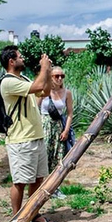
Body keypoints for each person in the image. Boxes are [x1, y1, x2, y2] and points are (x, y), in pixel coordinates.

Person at [0, 46, 52, 214]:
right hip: (21, 140)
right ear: (11, 61)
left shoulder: (23, 79)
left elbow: (45, 91)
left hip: (35, 137)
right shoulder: (8, 82)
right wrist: (43, 67)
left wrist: (48, 72)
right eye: (19, 56)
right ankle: (16, 218)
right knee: (20, 182)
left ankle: (31, 213)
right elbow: (37, 87)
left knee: (37, 179)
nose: (23, 59)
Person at [38, 66, 74, 197]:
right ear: (50, 77)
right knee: (44, 157)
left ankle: (55, 188)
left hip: (58, 126)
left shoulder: (67, 93)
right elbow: (35, 108)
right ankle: (41, 187)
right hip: (45, 126)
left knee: (57, 158)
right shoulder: (44, 91)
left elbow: (70, 113)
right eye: (56, 76)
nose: (59, 78)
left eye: (62, 76)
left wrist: (66, 130)